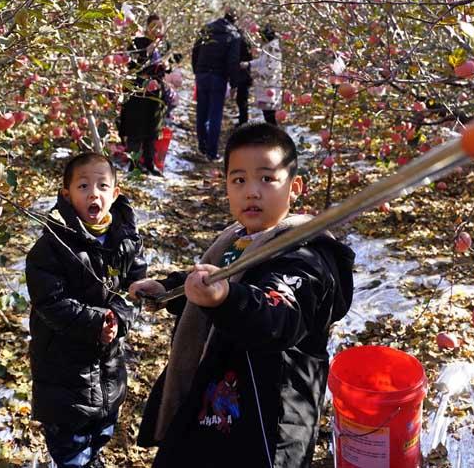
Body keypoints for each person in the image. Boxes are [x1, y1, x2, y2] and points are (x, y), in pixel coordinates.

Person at [130, 122, 355, 467]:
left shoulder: (305, 256)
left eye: (267, 179)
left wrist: (226, 298)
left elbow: (278, 314)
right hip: (217, 401)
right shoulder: (236, 240)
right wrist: (169, 290)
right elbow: (214, 278)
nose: (252, 191)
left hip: (267, 421)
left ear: (294, 187)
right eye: (239, 180)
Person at [25, 152, 147, 468]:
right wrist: (95, 323)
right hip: (63, 365)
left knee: (102, 426)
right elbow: (49, 302)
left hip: (109, 363)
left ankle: (92, 456)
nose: (94, 193)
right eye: (83, 186)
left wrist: (119, 318)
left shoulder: (126, 239)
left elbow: (136, 287)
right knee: (69, 441)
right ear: (66, 194)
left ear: (115, 193)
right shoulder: (52, 246)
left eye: (102, 186)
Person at [118, 13, 170, 175]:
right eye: (153, 25)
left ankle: (149, 162)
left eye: (160, 26)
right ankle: (134, 163)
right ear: (147, 26)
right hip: (139, 92)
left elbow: (169, 66)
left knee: (153, 129)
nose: (157, 29)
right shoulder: (137, 43)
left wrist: (166, 65)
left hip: (156, 93)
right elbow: (130, 65)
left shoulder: (164, 46)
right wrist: (146, 53)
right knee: (136, 128)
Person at [192, 8, 243, 160]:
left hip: (202, 74)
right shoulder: (233, 35)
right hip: (218, 76)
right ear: (234, 20)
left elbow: (195, 51)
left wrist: (197, 71)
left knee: (202, 111)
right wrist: (234, 83)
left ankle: (202, 145)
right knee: (215, 114)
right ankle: (211, 152)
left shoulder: (206, 29)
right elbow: (233, 61)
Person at [244, 24, 282, 125]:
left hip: (270, 84)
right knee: (267, 112)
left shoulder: (273, 48)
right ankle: (272, 132)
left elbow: (272, 66)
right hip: (265, 84)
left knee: (270, 113)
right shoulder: (268, 47)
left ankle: (273, 134)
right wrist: (249, 64)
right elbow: (262, 61)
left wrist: (258, 73)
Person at [234, 27, 253, 125]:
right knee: (242, 98)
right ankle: (243, 118)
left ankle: (243, 120)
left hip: (242, 73)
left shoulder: (239, 42)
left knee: (241, 98)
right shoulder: (246, 42)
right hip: (245, 73)